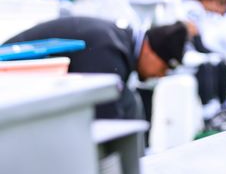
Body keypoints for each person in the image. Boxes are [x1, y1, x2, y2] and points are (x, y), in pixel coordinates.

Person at [3, 16, 190, 120]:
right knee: (126, 102)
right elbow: (105, 120)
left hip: (21, 85)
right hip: (9, 82)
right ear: (151, 51)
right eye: (165, 67)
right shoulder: (111, 51)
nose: (161, 75)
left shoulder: (116, 40)